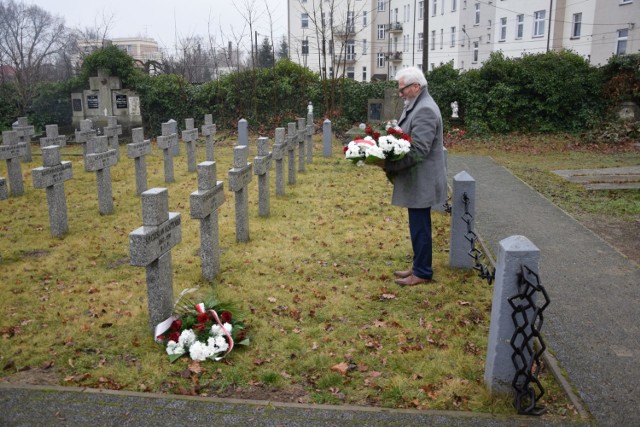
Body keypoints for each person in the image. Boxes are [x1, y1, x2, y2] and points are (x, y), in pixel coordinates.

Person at [382, 67, 448, 286]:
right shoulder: (416, 105)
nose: (400, 94)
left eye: (403, 89)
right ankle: (418, 267)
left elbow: (419, 149)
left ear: (416, 87)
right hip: (418, 178)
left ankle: (422, 272)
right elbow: (409, 137)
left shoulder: (425, 109)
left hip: (423, 179)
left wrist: (390, 163)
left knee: (420, 227)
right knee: (417, 225)